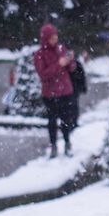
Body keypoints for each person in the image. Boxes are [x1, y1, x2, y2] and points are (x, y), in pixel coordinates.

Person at [33, 23, 78, 158]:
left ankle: (67, 143)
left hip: (65, 91)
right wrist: (59, 64)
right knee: (52, 121)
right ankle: (53, 145)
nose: (55, 40)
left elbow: (71, 68)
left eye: (56, 37)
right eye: (52, 38)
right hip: (50, 94)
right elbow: (43, 74)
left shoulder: (61, 48)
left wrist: (70, 61)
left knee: (66, 119)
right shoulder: (39, 54)